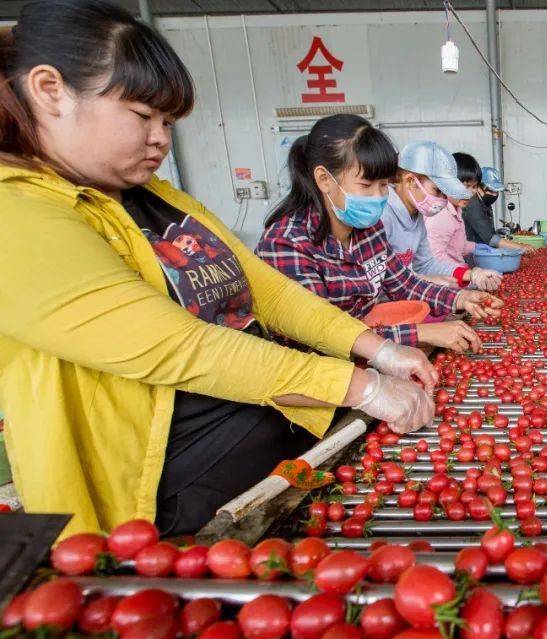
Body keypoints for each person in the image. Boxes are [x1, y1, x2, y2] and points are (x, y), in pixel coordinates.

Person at [0, 0, 436, 537]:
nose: (161, 138)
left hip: (271, 456)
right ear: (50, 91)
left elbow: (268, 291)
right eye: (142, 116)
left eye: (167, 121)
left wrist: (376, 349)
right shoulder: (13, 214)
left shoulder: (155, 198)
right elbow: (175, 345)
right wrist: (359, 386)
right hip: (167, 503)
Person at [259, 115, 500, 355]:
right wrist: (422, 333)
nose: (378, 197)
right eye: (366, 185)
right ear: (324, 179)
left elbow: (403, 285)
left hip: (365, 357)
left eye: (384, 185)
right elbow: (320, 335)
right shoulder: (287, 244)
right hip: (313, 376)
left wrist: (460, 298)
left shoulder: (369, 230)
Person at [381, 140, 502, 291]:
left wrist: (471, 274)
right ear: (411, 181)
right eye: (437, 191)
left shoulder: (417, 216)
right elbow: (379, 278)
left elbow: (427, 264)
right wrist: (423, 280)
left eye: (445, 193)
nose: (442, 200)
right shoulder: (383, 216)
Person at [459, 158, 534, 254]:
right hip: (471, 257)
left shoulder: (484, 203)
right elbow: (491, 239)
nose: (494, 195)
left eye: (496, 191)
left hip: (481, 253)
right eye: (490, 190)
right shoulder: (473, 205)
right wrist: (520, 247)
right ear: (478, 187)